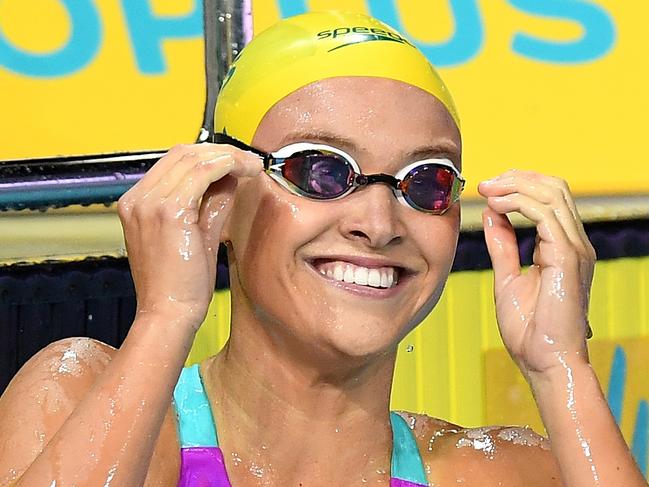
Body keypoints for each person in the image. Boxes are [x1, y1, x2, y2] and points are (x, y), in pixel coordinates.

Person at [0, 11, 645, 487]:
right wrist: (165, 317)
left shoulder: (494, 473)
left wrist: (562, 370)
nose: (379, 220)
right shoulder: (84, 402)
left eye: (427, 182)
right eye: (321, 170)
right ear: (219, 196)